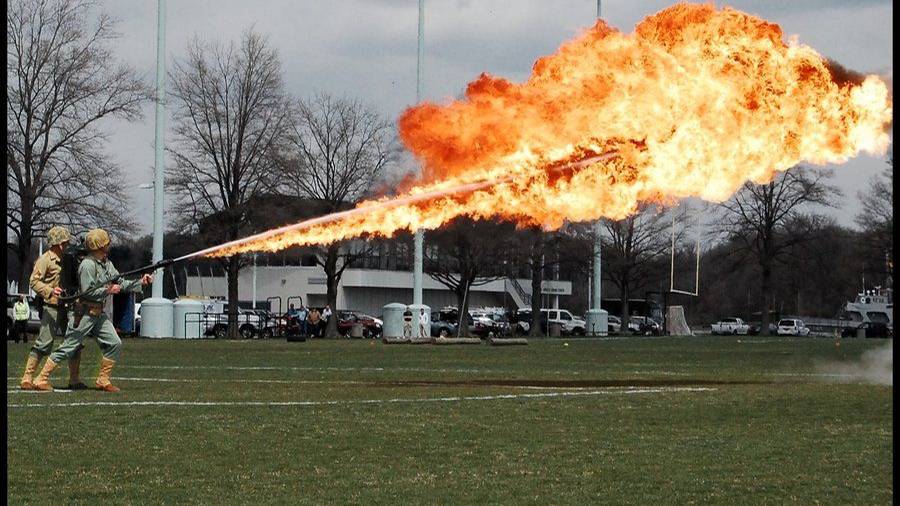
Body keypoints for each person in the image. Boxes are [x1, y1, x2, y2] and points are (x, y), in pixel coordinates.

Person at [33, 229, 151, 392]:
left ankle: (103, 380)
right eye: (106, 243)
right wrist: (107, 290)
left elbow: (120, 282)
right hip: (84, 313)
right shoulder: (87, 265)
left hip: (98, 313)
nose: (108, 246)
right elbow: (87, 291)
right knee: (69, 346)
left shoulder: (106, 263)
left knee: (114, 343)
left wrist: (140, 282)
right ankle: (41, 378)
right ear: (100, 245)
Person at [21, 226, 88, 390]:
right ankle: (27, 377)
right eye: (65, 242)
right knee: (44, 343)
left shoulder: (70, 259)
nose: (67, 245)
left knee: (74, 342)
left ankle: (74, 379)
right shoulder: (45, 260)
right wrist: (50, 291)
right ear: (58, 243)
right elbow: (34, 282)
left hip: (69, 306)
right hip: (52, 306)